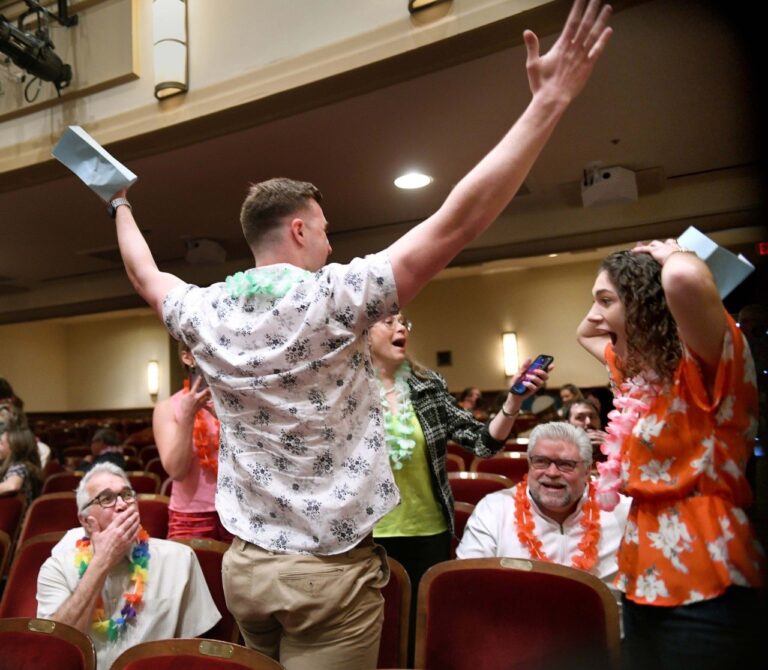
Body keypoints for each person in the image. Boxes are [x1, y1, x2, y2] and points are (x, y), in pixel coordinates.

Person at [103, 3, 613, 667]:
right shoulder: (338, 297)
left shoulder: (205, 311)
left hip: (246, 572)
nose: (330, 240)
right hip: (329, 575)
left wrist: (118, 202)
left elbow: (145, 274)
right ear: (298, 230)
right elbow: (459, 220)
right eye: (324, 228)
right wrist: (549, 101)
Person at [577, 241, 765, 670]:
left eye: (605, 301)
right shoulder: (639, 372)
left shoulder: (703, 360)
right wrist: (609, 294)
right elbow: (584, 332)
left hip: (704, 569)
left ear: (646, 303)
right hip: (641, 571)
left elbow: (682, 279)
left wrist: (672, 253)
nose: (593, 314)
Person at [369, 312, 548, 660]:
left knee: (415, 640)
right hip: (364, 537)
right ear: (361, 332)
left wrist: (513, 401)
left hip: (427, 532)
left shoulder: (427, 385)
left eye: (405, 322)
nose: (401, 327)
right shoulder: (342, 391)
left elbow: (482, 442)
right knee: (374, 641)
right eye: (389, 322)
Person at [36, 463, 220, 669]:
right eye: (107, 499)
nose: (123, 504)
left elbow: (195, 655)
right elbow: (55, 650)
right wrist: (101, 564)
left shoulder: (179, 559)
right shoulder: (57, 567)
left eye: (127, 494)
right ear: (86, 522)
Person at [457, 422, 629, 593]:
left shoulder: (622, 511)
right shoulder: (494, 510)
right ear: (529, 465)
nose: (552, 473)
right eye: (541, 462)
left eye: (566, 464)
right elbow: (468, 586)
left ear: (587, 470)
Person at [153, 342, 231, 541]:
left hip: (238, 511)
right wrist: (187, 417)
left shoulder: (235, 405)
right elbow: (176, 472)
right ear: (187, 358)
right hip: (189, 515)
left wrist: (226, 418)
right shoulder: (167, 408)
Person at [0, 425, 43, 505]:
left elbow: (13, 485)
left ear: (14, 448)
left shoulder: (19, 467)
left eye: (1, 443)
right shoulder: (27, 464)